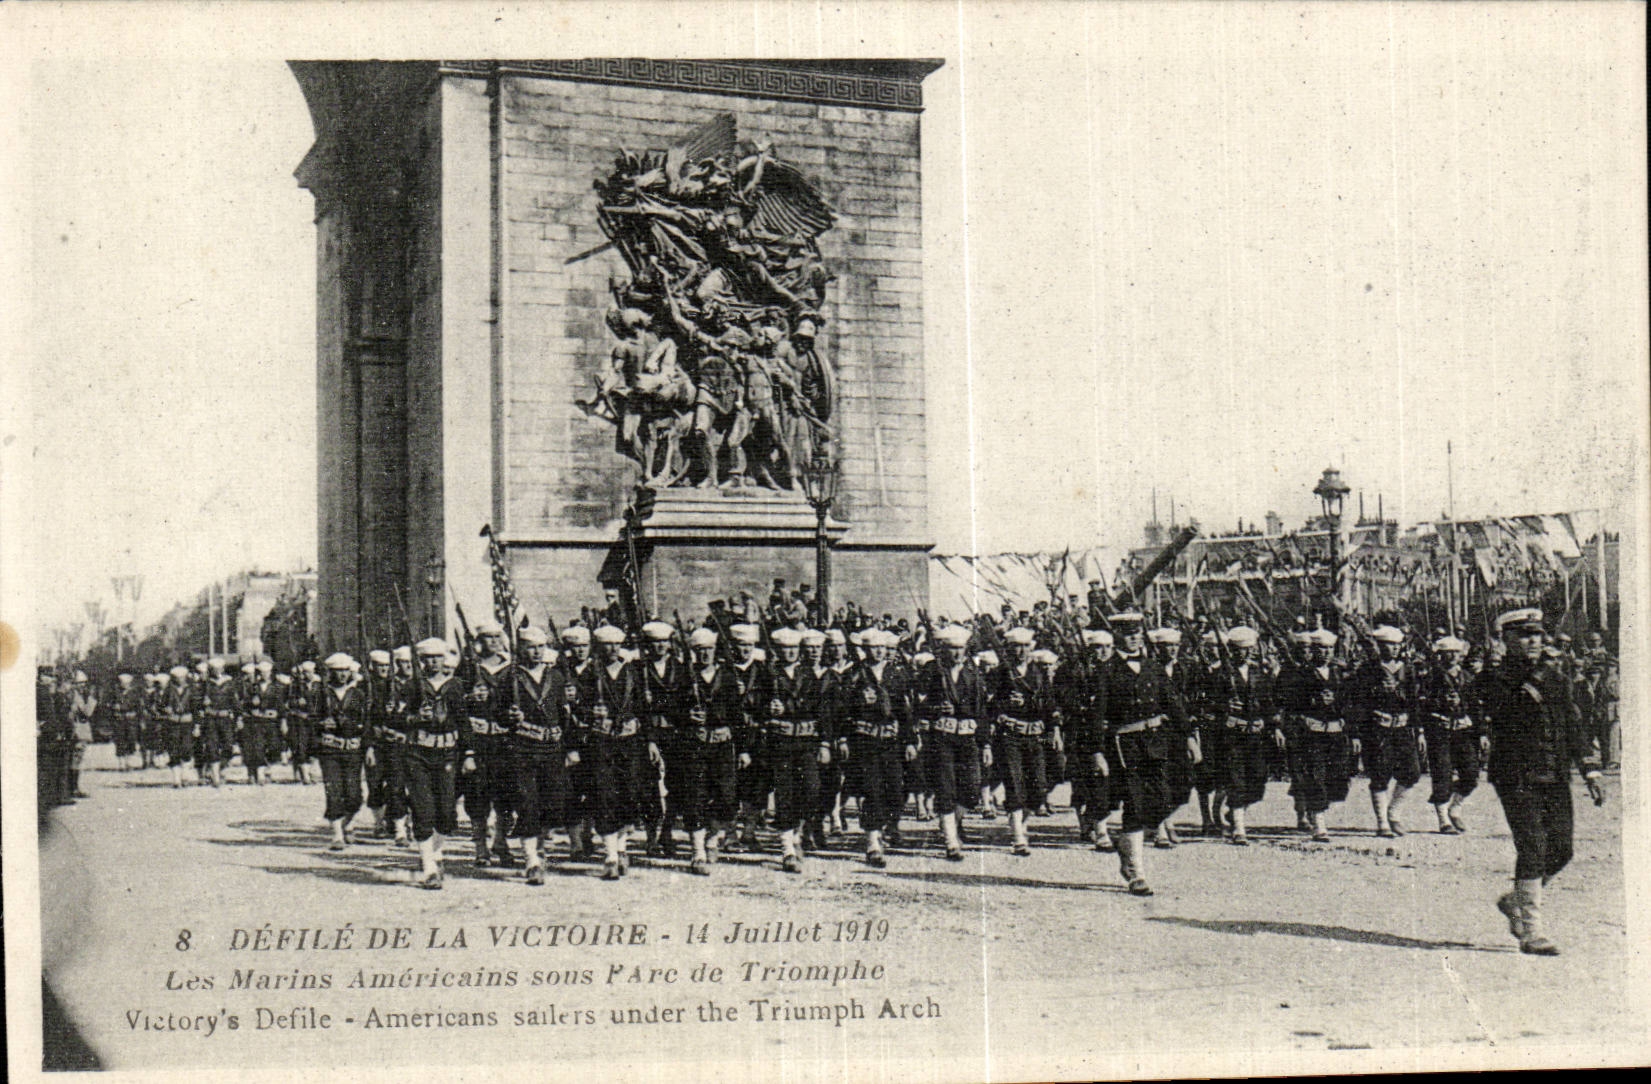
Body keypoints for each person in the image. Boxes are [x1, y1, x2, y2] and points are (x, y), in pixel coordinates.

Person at [1480, 608, 1605, 955]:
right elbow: (1503, 710)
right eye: (1523, 634)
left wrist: (1590, 769)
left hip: (1554, 774)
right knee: (1532, 847)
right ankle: (1531, 930)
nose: (1533, 640)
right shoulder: (1494, 676)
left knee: (1562, 850)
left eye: (1536, 634)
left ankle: (1515, 899)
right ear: (1505, 639)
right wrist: (1529, 680)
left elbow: (1572, 723)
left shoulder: (1555, 674)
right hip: (1516, 775)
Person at [1103, 613, 1185, 896]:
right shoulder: (1107, 671)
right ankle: (1136, 872)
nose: (1134, 637)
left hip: (1156, 742)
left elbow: (1172, 703)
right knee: (1135, 805)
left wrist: (1188, 736)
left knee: (1168, 796)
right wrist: (1096, 753)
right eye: (1127, 633)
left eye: (1137, 632)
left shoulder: (1152, 666)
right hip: (1126, 747)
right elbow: (1096, 716)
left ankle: (1125, 841)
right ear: (1117, 636)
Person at [754, 626, 834, 872]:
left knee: (811, 790)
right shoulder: (769, 675)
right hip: (781, 743)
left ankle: (798, 833)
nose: (789, 653)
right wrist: (769, 708)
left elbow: (823, 710)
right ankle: (787, 847)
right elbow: (753, 705)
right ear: (778, 651)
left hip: (807, 742)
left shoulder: (810, 675)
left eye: (793, 648)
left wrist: (824, 742)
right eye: (785, 649)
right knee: (784, 793)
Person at [578, 626, 654, 879]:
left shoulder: (633, 672)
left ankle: (622, 846)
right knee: (604, 794)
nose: (611, 649)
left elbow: (644, 710)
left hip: (630, 742)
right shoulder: (590, 673)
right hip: (601, 742)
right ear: (599, 647)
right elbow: (578, 707)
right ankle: (610, 855)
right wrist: (590, 714)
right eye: (606, 645)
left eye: (615, 644)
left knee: (630, 793)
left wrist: (651, 742)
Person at [504, 627, 576, 885]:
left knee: (554, 801)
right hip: (523, 748)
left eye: (539, 647)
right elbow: (496, 711)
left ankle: (540, 843)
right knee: (527, 801)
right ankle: (531, 859)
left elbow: (565, 714)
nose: (535, 652)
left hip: (551, 748)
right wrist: (510, 717)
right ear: (520, 648)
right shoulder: (509, 677)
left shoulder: (555, 677)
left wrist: (570, 746)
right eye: (530, 647)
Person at [839, 628, 916, 867]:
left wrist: (910, 740)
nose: (879, 651)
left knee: (895, 790)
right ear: (864, 649)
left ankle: (885, 828)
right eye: (873, 647)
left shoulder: (896, 674)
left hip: (891, 742)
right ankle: (872, 843)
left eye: (882, 647)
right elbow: (843, 711)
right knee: (872, 790)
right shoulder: (854, 675)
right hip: (864, 742)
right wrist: (843, 739)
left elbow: (904, 712)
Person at [916, 625, 989, 861]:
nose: (957, 654)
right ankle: (950, 840)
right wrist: (936, 708)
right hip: (942, 737)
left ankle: (952, 823)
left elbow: (981, 710)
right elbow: (917, 704)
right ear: (942, 649)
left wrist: (985, 743)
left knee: (971, 790)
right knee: (945, 788)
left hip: (967, 737)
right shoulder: (932, 670)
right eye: (951, 649)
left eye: (960, 649)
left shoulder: (973, 672)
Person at [681, 626, 746, 874]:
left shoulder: (728, 677)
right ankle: (698, 852)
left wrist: (743, 749)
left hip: (722, 744)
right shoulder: (686, 676)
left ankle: (713, 837)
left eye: (708, 649)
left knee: (727, 798)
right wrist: (687, 715)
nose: (705, 654)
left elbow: (737, 714)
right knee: (695, 795)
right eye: (700, 650)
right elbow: (673, 709)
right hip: (695, 744)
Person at [404, 638, 467, 889]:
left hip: (448, 753)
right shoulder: (411, 686)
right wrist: (415, 717)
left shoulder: (456, 686)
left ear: (444, 660)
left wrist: (470, 753)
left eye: (437, 658)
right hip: (419, 753)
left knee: (447, 813)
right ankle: (428, 866)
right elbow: (396, 717)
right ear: (421, 661)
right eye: (428, 658)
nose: (433, 662)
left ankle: (436, 850)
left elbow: (464, 721)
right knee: (423, 809)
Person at [1206, 626, 1277, 846]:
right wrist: (1223, 706)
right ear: (1230, 650)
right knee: (1236, 779)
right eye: (1238, 650)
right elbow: (1207, 703)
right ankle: (1239, 828)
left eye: (1247, 649)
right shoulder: (1219, 674)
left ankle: (1235, 813)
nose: (1242, 654)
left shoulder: (1259, 673)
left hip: (1255, 734)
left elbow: (1268, 702)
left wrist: (1274, 725)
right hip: (1232, 735)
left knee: (1257, 780)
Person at [1277, 629, 1350, 841]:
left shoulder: (1339, 673)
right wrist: (1312, 703)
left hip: (1335, 733)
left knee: (1336, 779)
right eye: (1321, 649)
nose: (1325, 653)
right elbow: (1289, 702)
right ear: (1313, 650)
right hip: (1311, 733)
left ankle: (1314, 810)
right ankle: (1319, 824)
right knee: (1314, 776)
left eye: (1329, 649)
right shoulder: (1300, 674)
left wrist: (1345, 719)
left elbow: (1349, 701)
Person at [1349, 626, 1422, 838]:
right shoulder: (1367, 670)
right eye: (1388, 645)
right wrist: (1356, 733)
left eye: (1396, 644)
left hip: (1402, 727)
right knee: (1379, 773)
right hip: (1377, 728)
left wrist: (1419, 730)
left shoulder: (1408, 669)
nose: (1393, 648)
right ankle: (1382, 822)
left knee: (1412, 772)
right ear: (1379, 647)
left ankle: (1394, 813)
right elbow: (1358, 702)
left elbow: (1415, 701)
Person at [989, 627, 1052, 857]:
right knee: (1014, 783)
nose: (1022, 650)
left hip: (1034, 734)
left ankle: (1021, 824)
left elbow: (1048, 702)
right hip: (1010, 735)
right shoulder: (1000, 673)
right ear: (1009, 648)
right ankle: (1017, 836)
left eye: (1026, 646)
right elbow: (988, 704)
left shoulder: (1038, 672)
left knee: (1038, 786)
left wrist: (1052, 728)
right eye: (1017, 646)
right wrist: (1004, 702)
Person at [461, 623, 519, 869]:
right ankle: (480, 848)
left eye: (497, 637)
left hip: (505, 740)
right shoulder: (468, 667)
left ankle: (501, 841)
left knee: (506, 796)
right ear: (479, 641)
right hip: (479, 739)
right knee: (478, 796)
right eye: (488, 638)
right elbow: (455, 699)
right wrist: (470, 697)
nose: (493, 642)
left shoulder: (512, 668)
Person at [1419, 635, 1483, 834]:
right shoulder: (1431, 678)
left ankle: (1455, 808)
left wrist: (1481, 733)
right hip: (1440, 730)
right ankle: (1443, 819)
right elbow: (1422, 705)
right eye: (1448, 652)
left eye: (1456, 652)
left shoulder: (1468, 677)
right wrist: (1441, 703)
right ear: (1440, 655)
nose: (1453, 656)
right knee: (1442, 773)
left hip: (1463, 730)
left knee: (1471, 774)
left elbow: (1476, 707)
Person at [637, 621, 689, 858]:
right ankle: (651, 836)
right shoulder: (638, 670)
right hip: (647, 734)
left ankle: (667, 831)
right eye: (655, 642)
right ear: (647, 645)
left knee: (677, 784)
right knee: (648, 786)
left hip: (675, 734)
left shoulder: (681, 669)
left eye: (664, 642)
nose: (660, 646)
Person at [314, 653, 369, 850]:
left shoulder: (358, 694)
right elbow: (310, 719)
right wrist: (321, 724)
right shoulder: (321, 693)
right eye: (338, 671)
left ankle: (348, 823)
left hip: (353, 748)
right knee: (334, 791)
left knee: (354, 795)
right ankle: (337, 834)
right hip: (330, 750)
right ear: (330, 672)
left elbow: (366, 721)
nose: (342, 675)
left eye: (345, 670)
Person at [240, 660, 281, 786]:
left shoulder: (276, 686)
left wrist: (281, 718)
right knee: (258, 746)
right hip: (257, 721)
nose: (264, 674)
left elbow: (281, 704)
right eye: (262, 672)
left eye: (267, 672)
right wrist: (252, 702)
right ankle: (260, 773)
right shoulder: (253, 687)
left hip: (272, 721)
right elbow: (244, 703)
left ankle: (268, 766)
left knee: (274, 746)